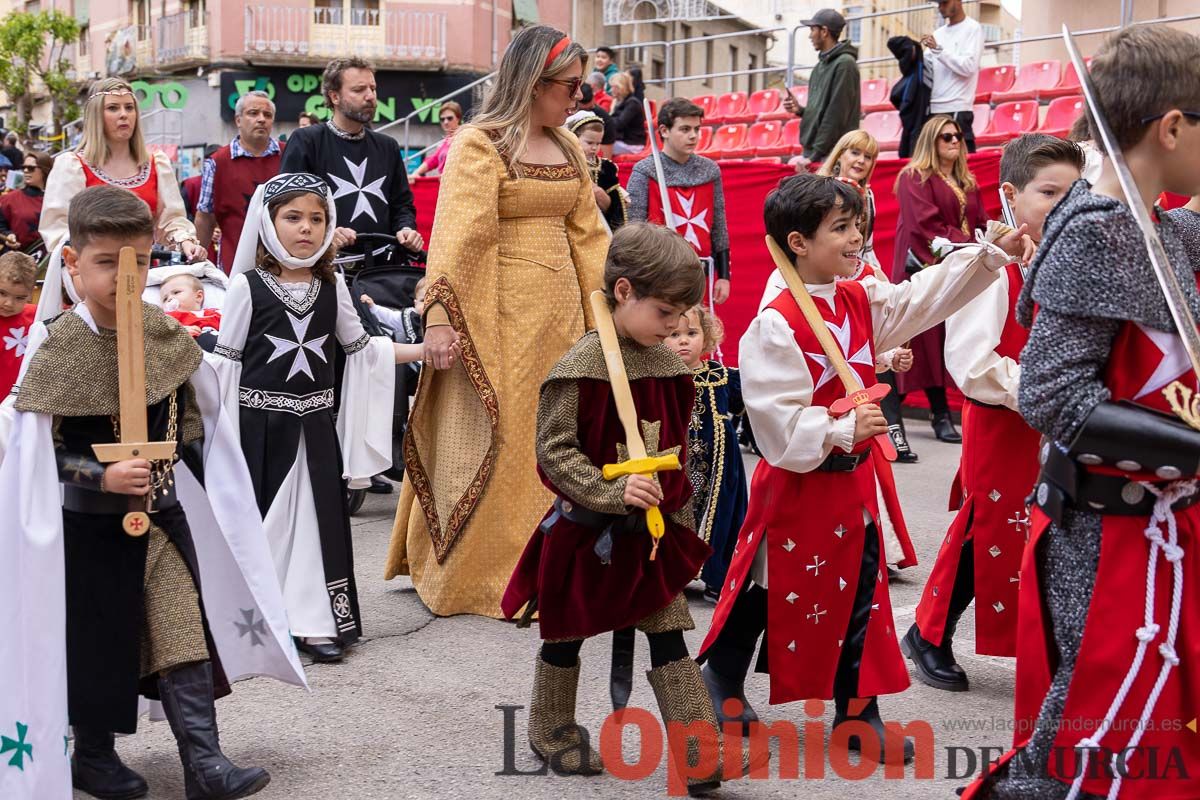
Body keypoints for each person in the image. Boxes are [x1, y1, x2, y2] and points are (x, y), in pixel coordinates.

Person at [698, 173, 1029, 764]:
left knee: (862, 594)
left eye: (858, 227)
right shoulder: (776, 324)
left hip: (851, 483)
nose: (858, 240)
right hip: (799, 485)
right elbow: (777, 428)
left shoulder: (859, 297)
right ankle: (721, 676)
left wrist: (985, 259)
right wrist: (839, 430)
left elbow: (920, 298)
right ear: (797, 242)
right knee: (766, 585)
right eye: (842, 229)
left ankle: (858, 713)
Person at [2, 186, 303, 800]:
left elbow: (195, 425)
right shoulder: (59, 346)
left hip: (161, 517)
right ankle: (92, 755)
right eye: (106, 262)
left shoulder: (166, 336)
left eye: (135, 261)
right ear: (72, 265)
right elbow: (36, 450)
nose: (122, 275)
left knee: (180, 629)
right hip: (86, 530)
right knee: (96, 642)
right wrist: (99, 474)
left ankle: (206, 764)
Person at [964, 26, 1200, 800]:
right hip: (1113, 537)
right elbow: (1054, 395)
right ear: (1171, 127)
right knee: (1093, 742)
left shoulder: (1172, 230)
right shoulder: (1098, 234)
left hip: (1168, 532)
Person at [500, 223, 763, 793]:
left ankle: (699, 754)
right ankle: (553, 730)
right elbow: (553, 450)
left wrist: (679, 528)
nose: (674, 328)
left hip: (651, 535)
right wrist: (609, 490)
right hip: (587, 533)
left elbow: (681, 454)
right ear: (623, 293)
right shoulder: (581, 365)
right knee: (565, 634)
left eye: (681, 317)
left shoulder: (669, 368)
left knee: (669, 635)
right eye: (665, 313)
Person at [383, 25, 609, 618]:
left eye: (581, 87)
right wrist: (437, 317)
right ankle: (493, 576)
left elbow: (589, 238)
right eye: (569, 86)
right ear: (533, 83)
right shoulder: (480, 144)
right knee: (507, 439)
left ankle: (554, 566)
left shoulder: (570, 148)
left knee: (559, 435)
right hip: (498, 316)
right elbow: (459, 238)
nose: (577, 99)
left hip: (562, 318)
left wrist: (607, 318)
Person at [212, 173, 432, 663]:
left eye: (316, 218)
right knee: (262, 526)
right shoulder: (247, 288)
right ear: (268, 226)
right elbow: (225, 365)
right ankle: (262, 622)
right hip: (259, 432)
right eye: (292, 217)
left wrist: (424, 349)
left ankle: (316, 623)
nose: (305, 228)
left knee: (315, 526)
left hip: (315, 429)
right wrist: (219, 443)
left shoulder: (332, 286)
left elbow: (363, 350)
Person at [904, 134, 1083, 696]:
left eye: (1072, 193)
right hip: (1004, 419)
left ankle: (1051, 645)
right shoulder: (989, 270)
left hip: (1048, 420)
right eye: (1048, 192)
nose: (1063, 205)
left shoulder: (1066, 259)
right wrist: (1045, 389)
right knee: (988, 529)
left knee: (1045, 531)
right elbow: (974, 364)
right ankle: (929, 633)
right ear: (1009, 193)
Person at [891, 115, 987, 443]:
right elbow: (924, 226)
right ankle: (934, 412)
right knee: (922, 341)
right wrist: (970, 245)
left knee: (949, 338)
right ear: (931, 141)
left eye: (958, 136)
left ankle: (893, 410)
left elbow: (980, 222)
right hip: (925, 266)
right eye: (946, 137)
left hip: (960, 267)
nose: (954, 141)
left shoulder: (967, 181)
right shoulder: (913, 177)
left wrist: (988, 240)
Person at [40, 78, 205, 261]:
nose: (123, 114)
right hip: (90, 278)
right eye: (113, 108)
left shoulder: (156, 164)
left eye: (129, 107)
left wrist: (186, 242)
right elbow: (59, 229)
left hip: (143, 274)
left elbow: (171, 221)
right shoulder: (72, 166)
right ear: (96, 115)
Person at [279, 57, 423, 261]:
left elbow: (402, 204)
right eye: (359, 90)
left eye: (373, 88)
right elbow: (288, 206)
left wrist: (406, 228)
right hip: (327, 268)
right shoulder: (306, 141)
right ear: (335, 97)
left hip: (382, 271)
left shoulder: (388, 146)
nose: (370, 96)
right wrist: (327, 232)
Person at [665, 303, 746, 599]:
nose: (683, 340)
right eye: (674, 334)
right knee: (675, 515)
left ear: (707, 337)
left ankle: (717, 575)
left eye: (691, 333)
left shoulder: (723, 377)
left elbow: (752, 405)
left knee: (721, 517)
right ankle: (672, 574)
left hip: (720, 468)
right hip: (677, 465)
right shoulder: (660, 380)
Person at [629, 98, 731, 304]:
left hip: (697, 271)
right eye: (684, 129)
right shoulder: (644, 171)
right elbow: (634, 229)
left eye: (697, 129)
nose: (693, 136)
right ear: (665, 131)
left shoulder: (710, 170)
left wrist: (724, 276)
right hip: (657, 273)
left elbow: (718, 225)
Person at [196, 91, 285, 273]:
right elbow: (205, 216)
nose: (261, 119)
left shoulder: (289, 155)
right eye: (253, 113)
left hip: (285, 264)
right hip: (234, 264)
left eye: (267, 115)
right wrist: (196, 263)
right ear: (238, 120)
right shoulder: (217, 162)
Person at [782, 9, 861, 167]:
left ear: (824, 31)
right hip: (816, 153)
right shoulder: (820, 66)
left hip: (832, 155)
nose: (810, 35)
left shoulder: (845, 64)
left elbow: (836, 114)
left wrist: (814, 156)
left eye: (812, 29)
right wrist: (801, 110)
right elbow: (822, 111)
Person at [921, 0, 983, 153]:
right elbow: (927, 68)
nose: (941, 7)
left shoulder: (973, 28)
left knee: (963, 166)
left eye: (945, 2)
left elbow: (969, 67)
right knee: (935, 166)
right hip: (934, 109)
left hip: (958, 107)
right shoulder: (938, 33)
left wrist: (938, 50)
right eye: (939, 4)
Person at [566, 110, 627, 231]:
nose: (594, 148)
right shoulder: (564, 164)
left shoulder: (606, 167)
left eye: (598, 143)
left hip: (599, 224)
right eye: (589, 142)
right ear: (574, 138)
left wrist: (601, 196)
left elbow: (616, 205)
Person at [0, 150, 52, 252]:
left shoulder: (57, 199)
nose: (26, 171)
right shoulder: (9, 199)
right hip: (18, 259)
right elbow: (1, 226)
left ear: (44, 170)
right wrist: (8, 235)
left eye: (31, 168)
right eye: (24, 167)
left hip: (48, 260)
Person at [0, 250, 35, 399]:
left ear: (30, 294)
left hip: (24, 403)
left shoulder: (38, 316)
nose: (9, 303)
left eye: (19, 298)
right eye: (2, 293)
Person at [160, 272, 222, 346]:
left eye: (176, 292)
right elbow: (159, 336)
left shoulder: (214, 313)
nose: (169, 299)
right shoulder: (168, 318)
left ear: (198, 296)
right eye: (165, 299)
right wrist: (180, 332)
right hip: (191, 347)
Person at [412, 101, 462, 179]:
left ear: (458, 118)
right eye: (442, 119)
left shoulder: (464, 136)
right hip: (445, 185)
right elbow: (434, 159)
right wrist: (416, 172)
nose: (446, 122)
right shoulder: (445, 141)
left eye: (449, 118)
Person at [609, 72, 646, 156]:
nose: (610, 90)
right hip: (622, 141)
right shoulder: (618, 102)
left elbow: (619, 124)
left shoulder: (633, 103)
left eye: (613, 87)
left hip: (632, 144)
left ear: (620, 87)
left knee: (601, 146)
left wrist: (605, 119)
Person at [577, 83, 616, 157]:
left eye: (589, 109)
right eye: (580, 110)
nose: (584, 113)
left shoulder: (605, 119)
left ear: (593, 98)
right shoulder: (566, 114)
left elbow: (607, 155)